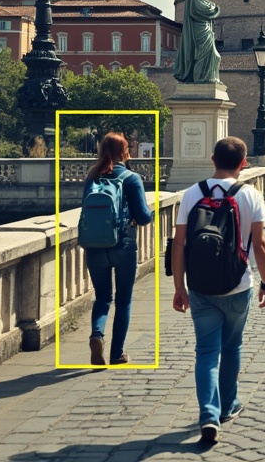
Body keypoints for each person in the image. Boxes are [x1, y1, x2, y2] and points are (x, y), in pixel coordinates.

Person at [171, 137, 265, 444]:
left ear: (212, 158)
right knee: (232, 347)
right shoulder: (250, 195)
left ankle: (209, 415)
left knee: (205, 353)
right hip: (238, 285)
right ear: (244, 163)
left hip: (200, 286)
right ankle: (228, 405)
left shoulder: (192, 194)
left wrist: (179, 286)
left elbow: (179, 244)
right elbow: (260, 244)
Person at [82, 132, 153, 366]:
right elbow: (143, 217)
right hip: (123, 246)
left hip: (94, 246)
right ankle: (117, 354)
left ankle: (96, 335)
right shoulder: (131, 178)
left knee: (102, 298)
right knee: (123, 301)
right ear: (125, 152)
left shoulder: (92, 177)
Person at [173, 0, 221, 84]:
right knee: (205, 53)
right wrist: (214, 7)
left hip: (204, 28)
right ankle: (201, 77)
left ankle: (207, 76)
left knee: (213, 54)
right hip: (201, 29)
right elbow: (205, 10)